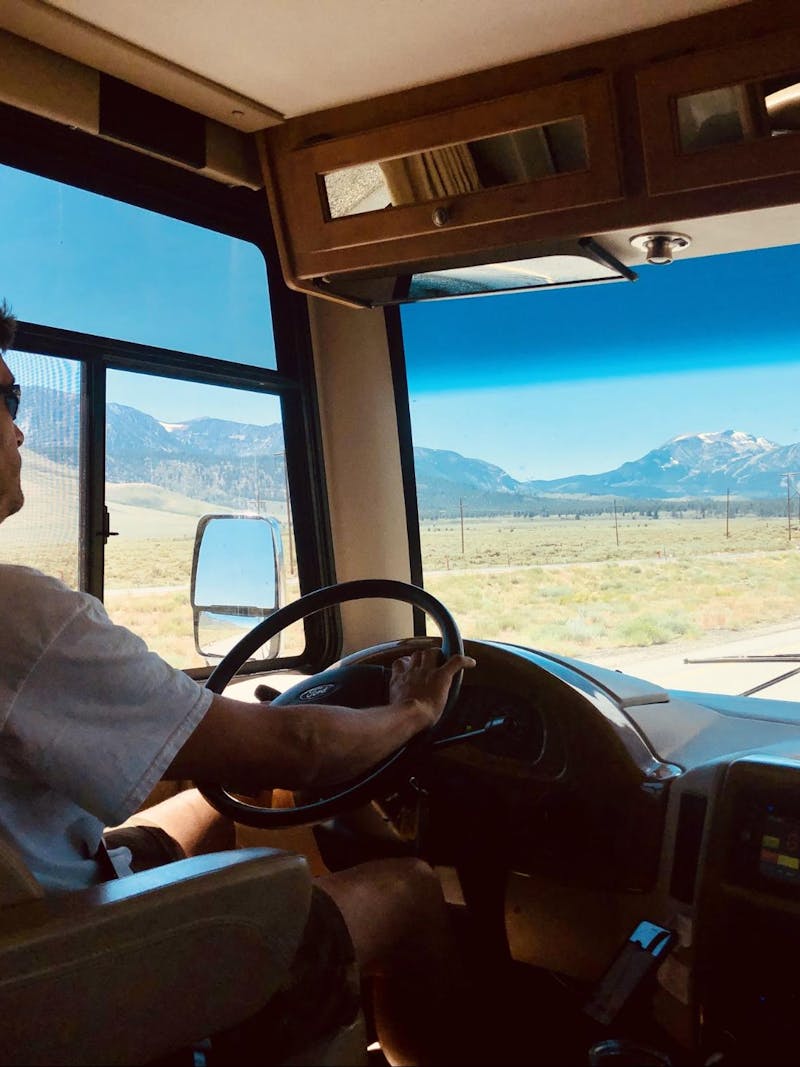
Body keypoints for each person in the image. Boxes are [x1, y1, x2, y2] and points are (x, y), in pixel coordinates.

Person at [0, 300, 478, 1065]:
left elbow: (259, 755)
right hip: (73, 972)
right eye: (5, 398)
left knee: (229, 798)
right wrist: (413, 712)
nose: (20, 427)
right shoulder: (16, 614)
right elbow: (299, 745)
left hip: (38, 916)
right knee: (411, 890)